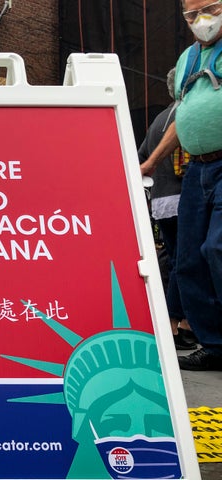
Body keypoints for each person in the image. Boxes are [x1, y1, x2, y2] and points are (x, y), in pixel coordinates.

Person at [140, 0, 222, 371]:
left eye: (211, 8)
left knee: (216, 248)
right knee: (187, 260)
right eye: (192, 14)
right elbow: (182, 115)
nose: (201, 19)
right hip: (196, 170)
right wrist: (151, 161)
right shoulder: (190, 57)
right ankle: (214, 344)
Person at [137, 68, 197, 350]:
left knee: (175, 261)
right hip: (184, 195)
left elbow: (140, 157)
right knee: (187, 263)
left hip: (160, 200)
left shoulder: (158, 119)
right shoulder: (187, 114)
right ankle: (178, 323)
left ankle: (175, 324)